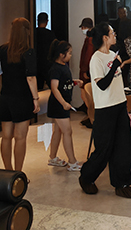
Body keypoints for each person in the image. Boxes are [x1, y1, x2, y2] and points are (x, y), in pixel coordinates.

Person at [78, 22, 131, 198]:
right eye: (112, 33)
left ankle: (122, 184)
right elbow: (103, 85)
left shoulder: (113, 54)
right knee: (103, 149)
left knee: (123, 146)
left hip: (120, 105)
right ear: (105, 37)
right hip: (105, 109)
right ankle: (86, 177)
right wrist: (114, 66)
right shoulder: (96, 59)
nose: (115, 35)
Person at [0, 17, 40, 171]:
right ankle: (18, 173)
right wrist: (36, 98)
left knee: (6, 136)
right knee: (20, 138)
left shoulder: (1, 50)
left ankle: (8, 171)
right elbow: (30, 78)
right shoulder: (28, 52)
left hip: (6, 97)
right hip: (22, 98)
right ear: (26, 32)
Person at [47, 39, 83, 171]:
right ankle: (72, 162)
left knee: (58, 131)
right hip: (59, 105)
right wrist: (63, 103)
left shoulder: (63, 66)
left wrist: (74, 82)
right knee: (67, 131)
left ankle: (52, 157)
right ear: (61, 55)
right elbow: (54, 88)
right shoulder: (55, 69)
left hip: (61, 104)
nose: (71, 55)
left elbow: (64, 82)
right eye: (69, 53)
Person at [79, 17, 94, 128]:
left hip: (86, 71)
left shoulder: (90, 40)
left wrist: (85, 70)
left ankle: (91, 116)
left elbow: (87, 56)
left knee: (86, 94)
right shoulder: (91, 39)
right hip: (87, 70)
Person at [35, 12, 56, 90]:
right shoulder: (50, 34)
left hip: (36, 62)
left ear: (37, 21)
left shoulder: (33, 33)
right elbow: (55, 47)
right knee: (52, 86)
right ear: (47, 21)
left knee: (38, 87)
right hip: (48, 63)